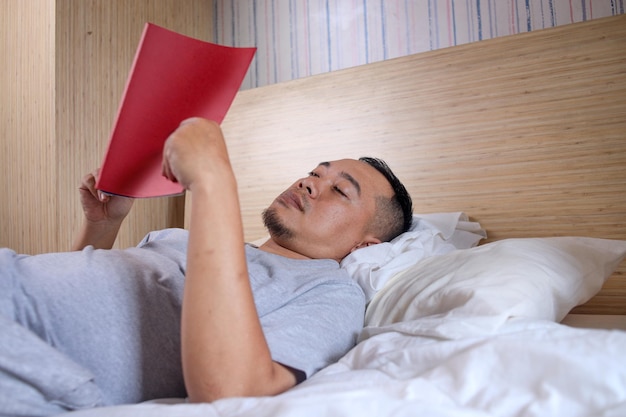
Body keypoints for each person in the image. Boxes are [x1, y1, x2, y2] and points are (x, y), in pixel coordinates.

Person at [0, 118, 413, 416]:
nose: (309, 183)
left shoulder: (331, 291)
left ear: (365, 243)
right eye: (313, 173)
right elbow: (80, 293)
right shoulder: (183, 237)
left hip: (30, 363)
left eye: (339, 190)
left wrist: (213, 181)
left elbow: (235, 392)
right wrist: (102, 225)